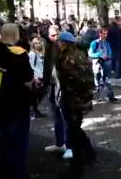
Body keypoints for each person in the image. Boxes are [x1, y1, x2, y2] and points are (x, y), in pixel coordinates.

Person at [0, 23, 34, 179]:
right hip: (17, 105)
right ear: (16, 35)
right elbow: (28, 79)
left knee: (4, 141)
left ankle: (5, 173)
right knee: (19, 143)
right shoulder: (19, 54)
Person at [56, 32, 95, 176]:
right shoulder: (81, 55)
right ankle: (89, 152)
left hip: (73, 100)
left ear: (64, 43)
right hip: (83, 99)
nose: (58, 44)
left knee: (73, 132)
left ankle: (77, 168)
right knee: (75, 128)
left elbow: (70, 81)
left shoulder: (67, 58)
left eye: (59, 41)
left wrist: (67, 97)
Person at [43, 25, 70, 157]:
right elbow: (46, 67)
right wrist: (45, 84)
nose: (54, 38)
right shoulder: (49, 48)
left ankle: (70, 146)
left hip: (64, 87)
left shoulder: (66, 49)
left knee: (66, 117)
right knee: (56, 116)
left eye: (56, 35)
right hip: (53, 86)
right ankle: (60, 143)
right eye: (52, 36)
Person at [88, 27, 118, 102]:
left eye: (106, 33)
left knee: (107, 79)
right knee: (98, 80)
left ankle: (110, 96)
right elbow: (90, 53)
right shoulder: (95, 43)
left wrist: (109, 56)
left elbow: (110, 51)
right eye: (104, 33)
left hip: (106, 62)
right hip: (98, 62)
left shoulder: (107, 42)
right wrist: (99, 55)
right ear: (100, 33)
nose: (106, 35)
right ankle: (98, 97)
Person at [29, 37, 46, 118]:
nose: (37, 44)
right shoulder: (32, 54)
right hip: (37, 77)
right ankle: (34, 111)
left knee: (41, 94)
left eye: (38, 42)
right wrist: (35, 78)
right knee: (35, 96)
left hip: (43, 76)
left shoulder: (42, 54)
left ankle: (36, 110)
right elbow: (31, 66)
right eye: (35, 43)